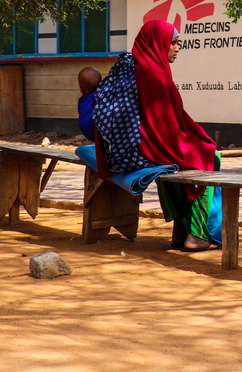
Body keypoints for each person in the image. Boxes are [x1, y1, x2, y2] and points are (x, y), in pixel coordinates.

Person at [91, 20, 222, 252]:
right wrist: (201, 140)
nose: (177, 48)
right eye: (173, 43)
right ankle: (199, 235)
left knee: (185, 158)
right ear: (158, 44)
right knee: (210, 158)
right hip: (145, 149)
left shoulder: (128, 64)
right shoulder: (155, 76)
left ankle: (181, 231)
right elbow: (168, 133)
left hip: (124, 150)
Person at [77, 67, 102, 141]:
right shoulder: (104, 96)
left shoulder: (82, 101)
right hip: (103, 133)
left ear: (81, 90)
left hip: (89, 133)